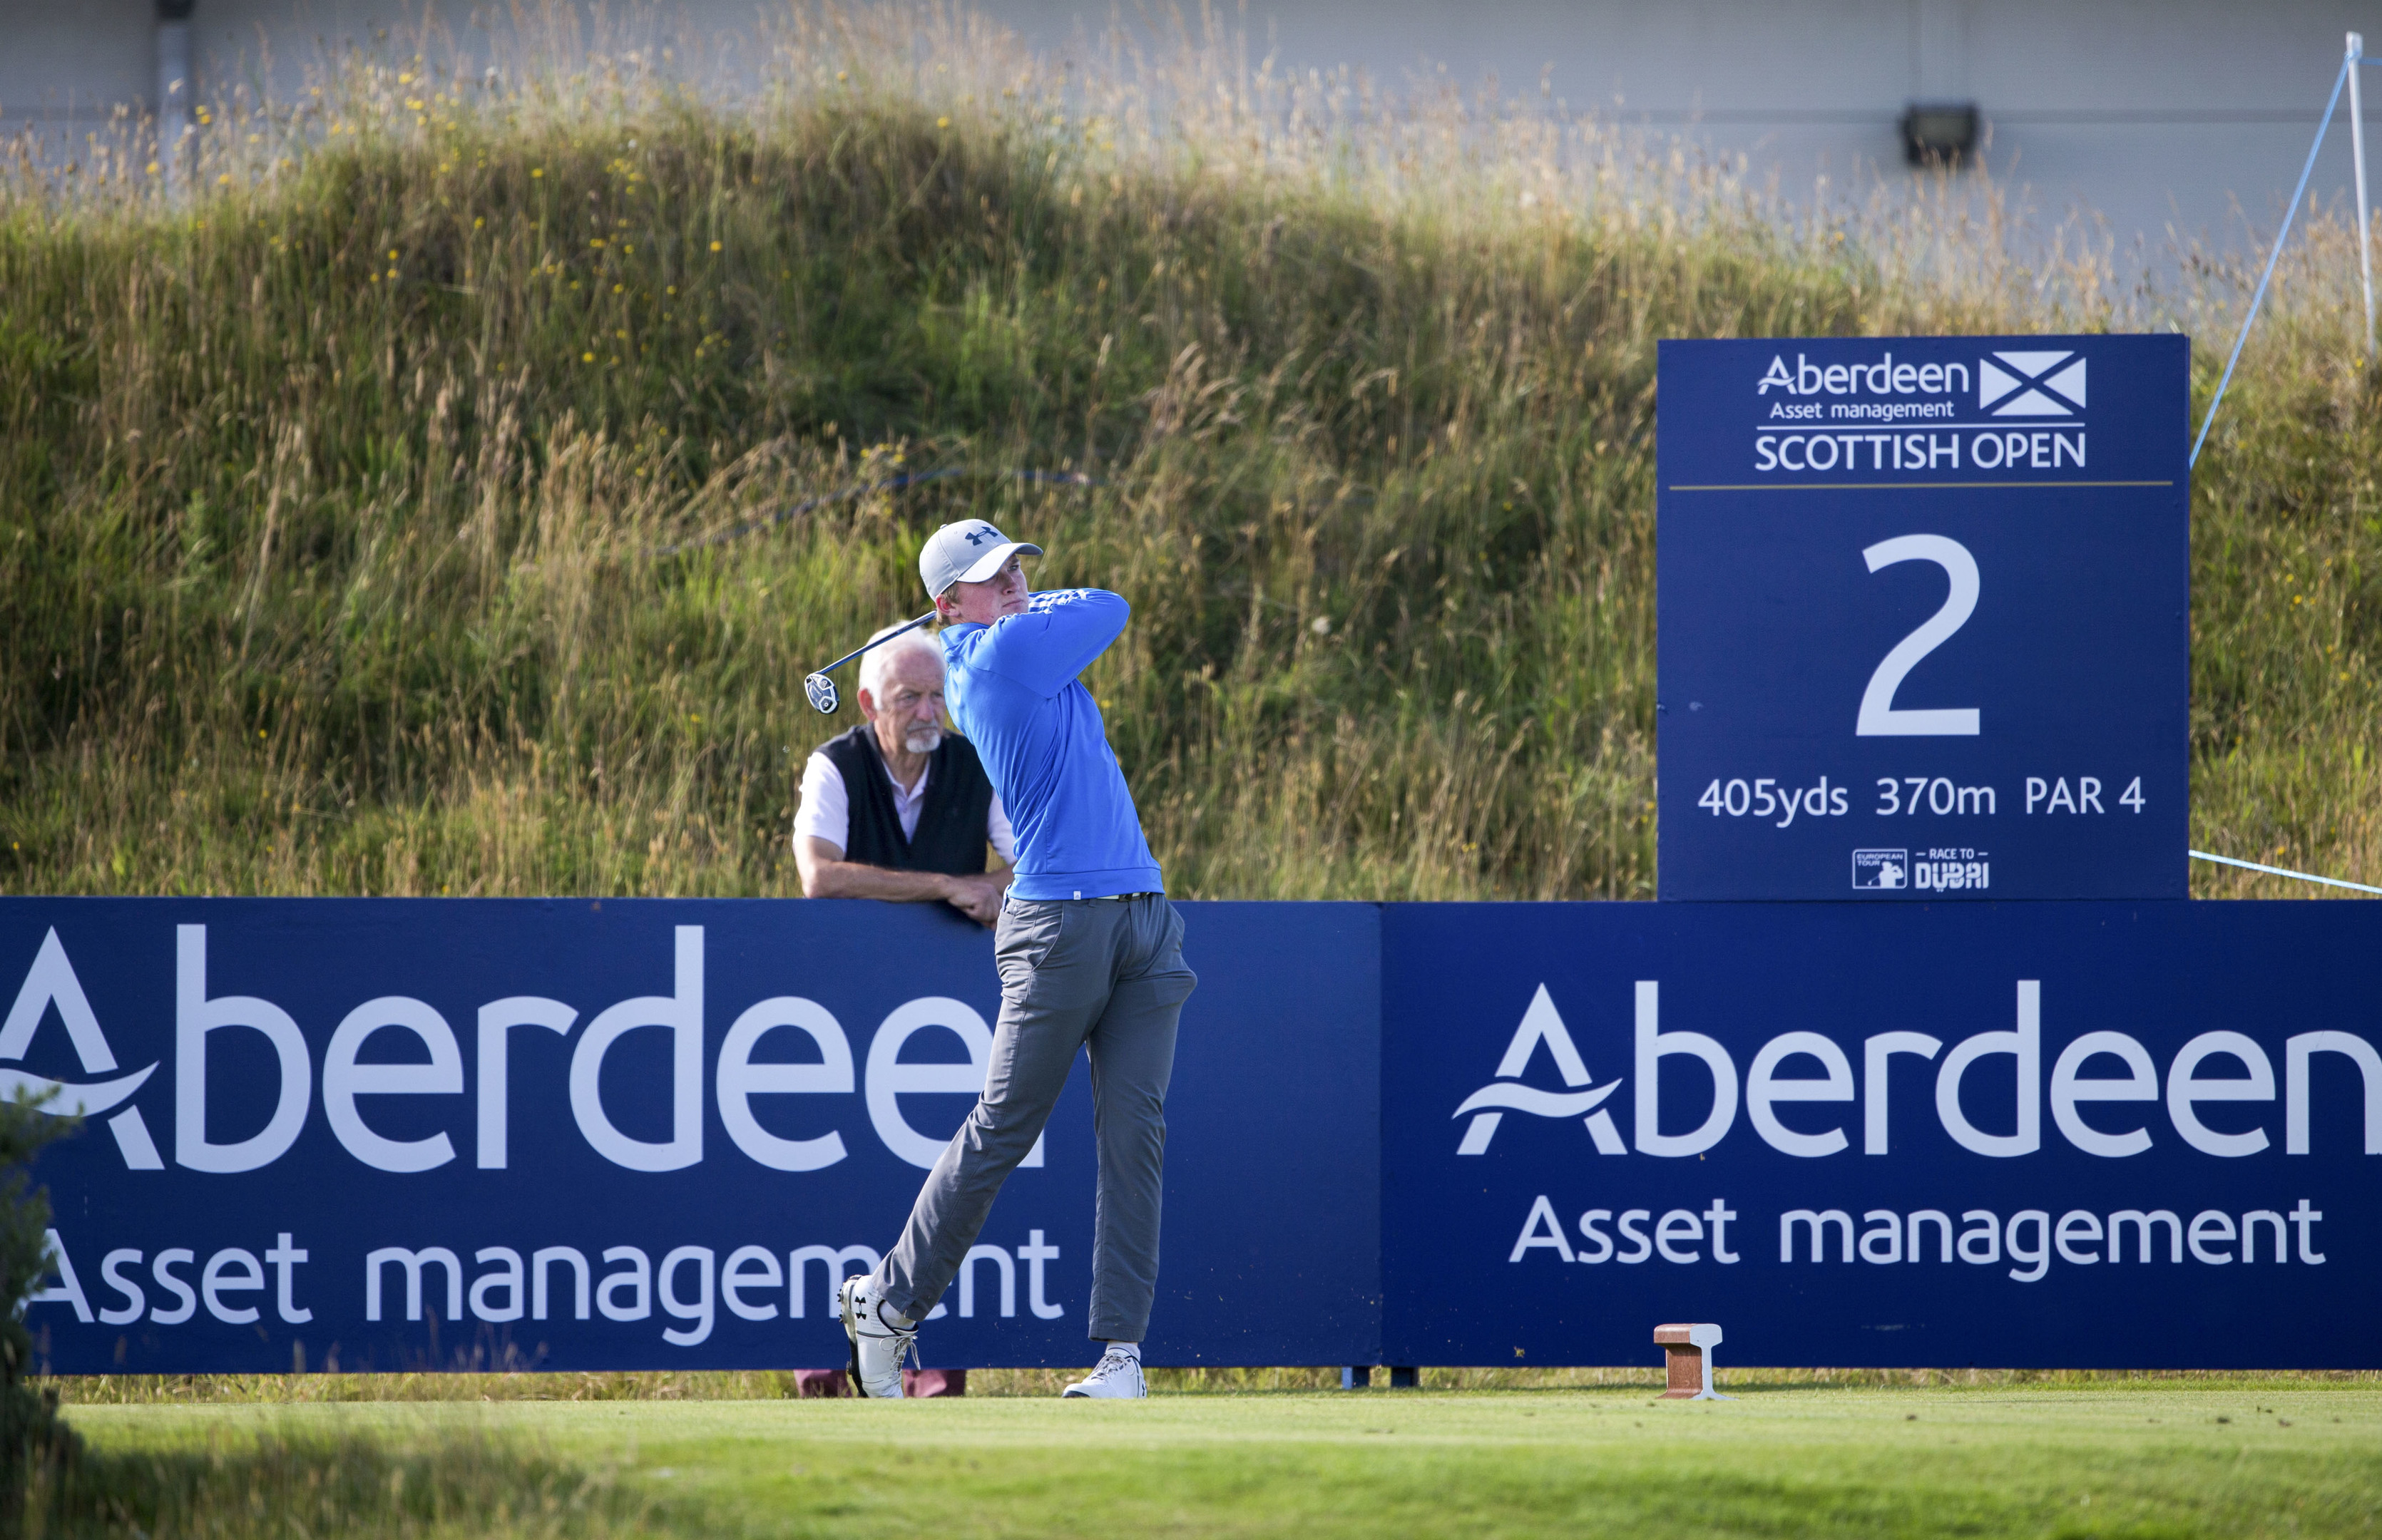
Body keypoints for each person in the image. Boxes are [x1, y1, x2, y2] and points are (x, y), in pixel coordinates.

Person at [838, 519, 1195, 1400]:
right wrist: (1022, 612)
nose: (1016, 585)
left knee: (1135, 1136)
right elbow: (1109, 604)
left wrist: (1018, 602)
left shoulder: (1021, 647)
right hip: (1057, 927)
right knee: (1005, 1128)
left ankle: (1121, 1358)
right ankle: (886, 1305)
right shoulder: (995, 661)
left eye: (1018, 570)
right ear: (948, 604)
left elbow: (1075, 613)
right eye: (992, 578)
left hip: (1143, 914)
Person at [792, 622, 1015, 928]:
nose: (927, 713)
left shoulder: (976, 762)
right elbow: (818, 876)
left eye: (937, 695)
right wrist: (945, 887)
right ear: (869, 704)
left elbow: (1034, 866)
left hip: (952, 959)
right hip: (851, 955)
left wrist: (985, 890)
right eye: (909, 697)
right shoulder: (835, 765)